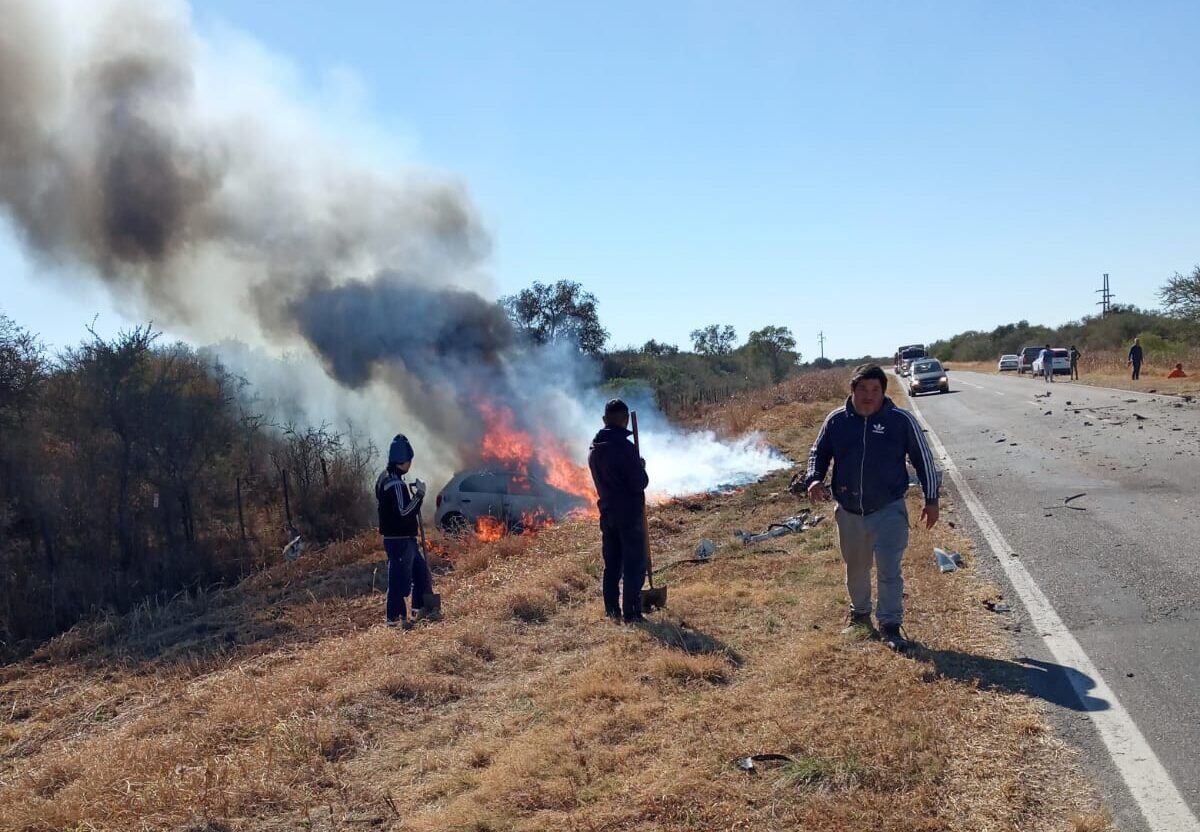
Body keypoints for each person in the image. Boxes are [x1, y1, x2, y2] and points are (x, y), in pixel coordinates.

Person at [805, 364, 940, 652]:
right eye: (862, 389)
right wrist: (814, 478)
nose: (868, 395)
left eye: (875, 390)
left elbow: (923, 459)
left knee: (890, 568)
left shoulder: (899, 421)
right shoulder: (837, 421)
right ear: (852, 390)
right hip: (850, 510)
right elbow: (818, 452)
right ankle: (860, 615)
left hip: (889, 508)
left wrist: (932, 500)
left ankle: (891, 625)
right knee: (857, 568)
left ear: (883, 391)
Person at [587, 398, 650, 623]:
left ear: (605, 420)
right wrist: (641, 467)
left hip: (607, 512)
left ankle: (612, 611)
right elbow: (639, 483)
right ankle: (632, 614)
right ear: (625, 421)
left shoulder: (594, 449)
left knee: (612, 564)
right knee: (634, 563)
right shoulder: (625, 448)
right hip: (629, 514)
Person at [375, 434, 437, 629]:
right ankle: (395, 619)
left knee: (421, 572)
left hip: (405, 539)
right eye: (409, 460)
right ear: (404, 461)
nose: (410, 464)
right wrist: (419, 495)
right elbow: (404, 512)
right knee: (399, 581)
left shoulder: (385, 478)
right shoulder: (396, 484)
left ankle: (422, 609)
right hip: (399, 540)